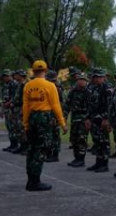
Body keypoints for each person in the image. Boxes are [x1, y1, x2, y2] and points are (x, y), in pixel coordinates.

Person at [21, 60, 67, 191]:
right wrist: (62, 123)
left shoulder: (28, 86)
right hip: (44, 118)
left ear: (33, 71)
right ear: (45, 71)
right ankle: (35, 181)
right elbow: (56, 105)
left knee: (32, 149)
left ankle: (30, 179)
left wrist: (25, 123)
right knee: (41, 149)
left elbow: (26, 106)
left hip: (32, 117)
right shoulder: (50, 86)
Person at [86, 68, 113, 173]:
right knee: (97, 141)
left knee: (104, 142)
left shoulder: (107, 89)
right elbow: (91, 105)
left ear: (103, 77)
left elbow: (109, 106)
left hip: (102, 119)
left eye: (98, 77)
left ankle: (104, 164)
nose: (96, 79)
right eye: (95, 77)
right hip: (94, 119)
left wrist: (106, 119)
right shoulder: (94, 88)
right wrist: (87, 118)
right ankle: (98, 162)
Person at [65, 72, 92, 167]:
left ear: (86, 81)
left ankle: (81, 159)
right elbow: (67, 105)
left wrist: (88, 119)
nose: (81, 82)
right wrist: (64, 117)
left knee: (81, 139)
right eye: (80, 80)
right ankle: (76, 158)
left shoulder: (88, 92)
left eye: (83, 80)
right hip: (74, 118)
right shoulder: (73, 91)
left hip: (83, 118)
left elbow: (91, 107)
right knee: (74, 138)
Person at [7, 69, 28, 154]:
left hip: (21, 108)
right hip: (16, 108)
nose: (14, 76)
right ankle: (21, 145)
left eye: (16, 74)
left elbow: (24, 98)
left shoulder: (25, 84)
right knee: (17, 128)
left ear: (21, 75)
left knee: (22, 128)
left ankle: (26, 146)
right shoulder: (19, 84)